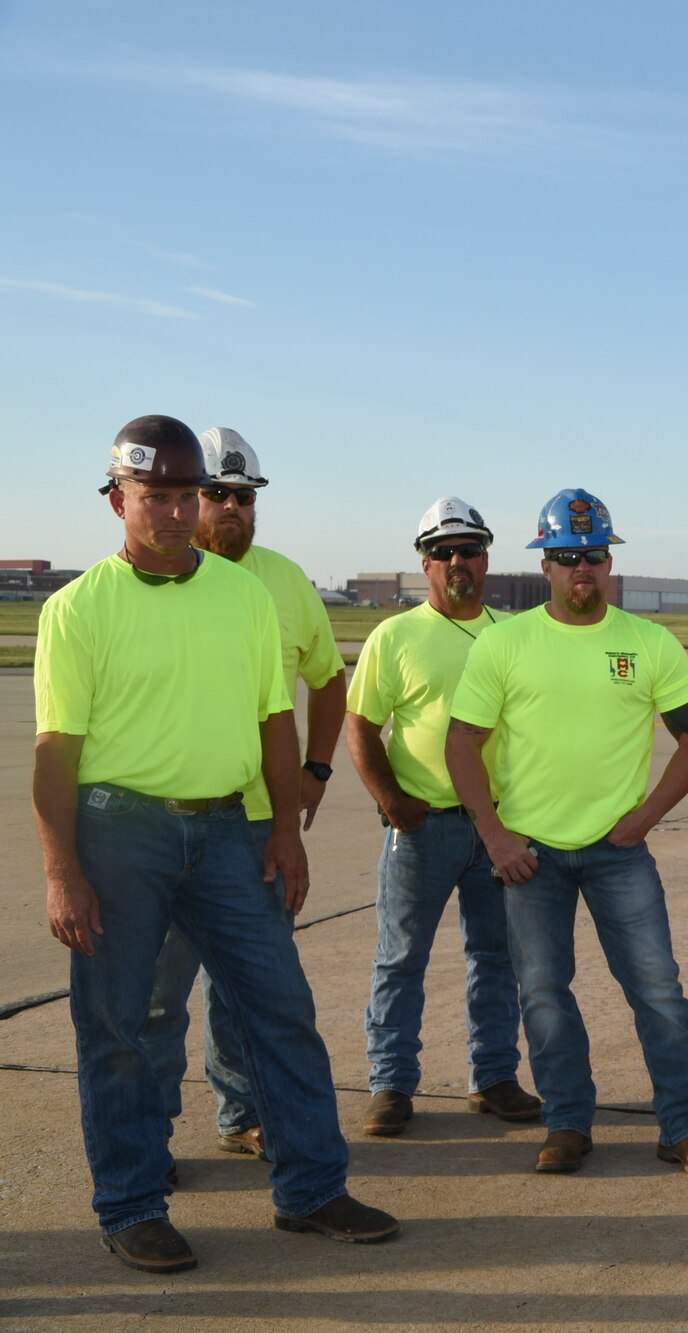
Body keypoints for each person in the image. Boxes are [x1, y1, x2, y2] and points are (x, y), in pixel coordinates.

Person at [35, 416, 398, 1273]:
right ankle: (131, 1204)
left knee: (280, 1009)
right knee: (119, 1025)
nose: (170, 511)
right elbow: (56, 757)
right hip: (121, 829)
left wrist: (284, 826)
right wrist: (63, 872)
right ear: (117, 498)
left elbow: (276, 717)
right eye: (152, 496)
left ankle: (311, 1187)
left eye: (183, 494)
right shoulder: (77, 608)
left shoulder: (245, 597)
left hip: (231, 831)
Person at [444, 487, 688, 1177]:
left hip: (618, 851)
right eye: (568, 556)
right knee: (543, 991)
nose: (583, 569)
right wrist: (494, 835)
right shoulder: (504, 643)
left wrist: (646, 815)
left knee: (658, 985)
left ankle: (686, 1126)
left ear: (610, 564)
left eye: (595, 556)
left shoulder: (648, 642)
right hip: (531, 854)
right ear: (544, 563)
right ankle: (567, 1122)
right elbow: (462, 744)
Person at [142, 427, 347, 1162]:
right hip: (160, 827)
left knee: (246, 992)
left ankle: (241, 1115)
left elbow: (327, 679)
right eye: (216, 494)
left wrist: (316, 772)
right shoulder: (146, 583)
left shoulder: (283, 582)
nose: (231, 508)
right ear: (185, 497)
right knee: (158, 996)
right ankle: (149, 1135)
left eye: (243, 496)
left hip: (259, 826)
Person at [345, 496, 538, 1137]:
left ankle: (495, 1079)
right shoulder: (395, 636)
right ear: (424, 563)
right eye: (443, 551)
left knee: (497, 958)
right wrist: (393, 801)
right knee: (401, 958)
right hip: (423, 827)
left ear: (487, 558)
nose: (458, 561)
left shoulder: (516, 633)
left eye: (470, 549)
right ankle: (391, 1085)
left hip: (501, 828)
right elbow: (361, 726)